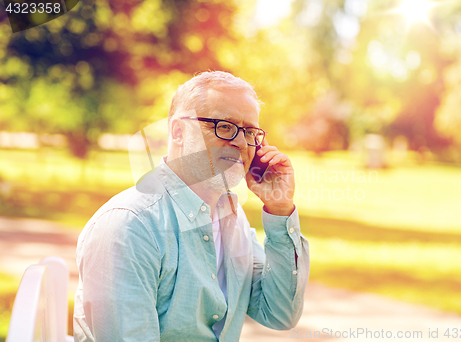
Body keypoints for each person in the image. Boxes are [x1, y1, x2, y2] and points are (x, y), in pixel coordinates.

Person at [73, 71, 310, 341]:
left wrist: (280, 209)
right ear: (178, 132)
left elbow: (278, 312)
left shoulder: (232, 218)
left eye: (250, 131)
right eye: (224, 126)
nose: (242, 143)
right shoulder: (130, 226)